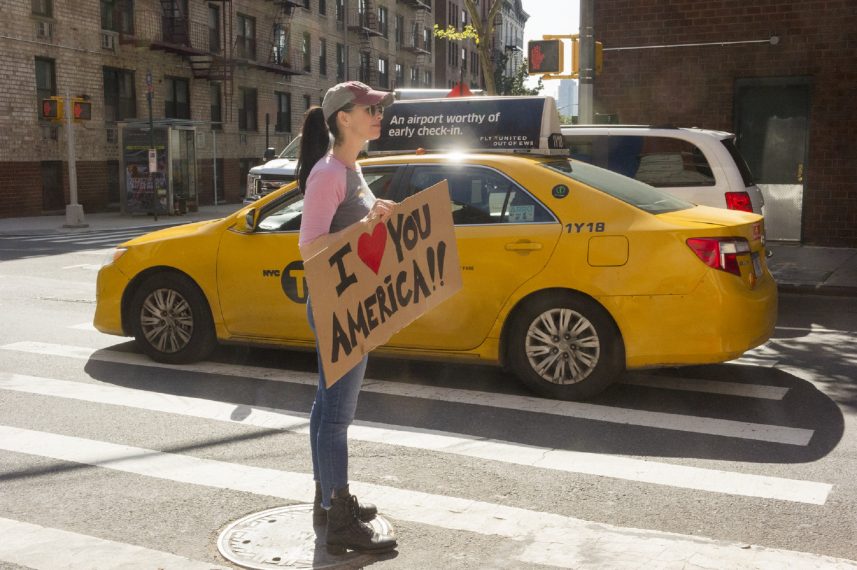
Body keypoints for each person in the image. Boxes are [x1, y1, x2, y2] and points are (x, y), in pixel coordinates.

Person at [297, 81, 397, 556]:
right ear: (343, 118)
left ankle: (326, 498)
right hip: (338, 306)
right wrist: (365, 225)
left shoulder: (350, 168)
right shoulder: (328, 173)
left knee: (326, 406)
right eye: (369, 108)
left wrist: (377, 215)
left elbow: (354, 231)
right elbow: (312, 247)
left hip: (348, 302)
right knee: (338, 416)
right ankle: (339, 515)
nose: (379, 113)